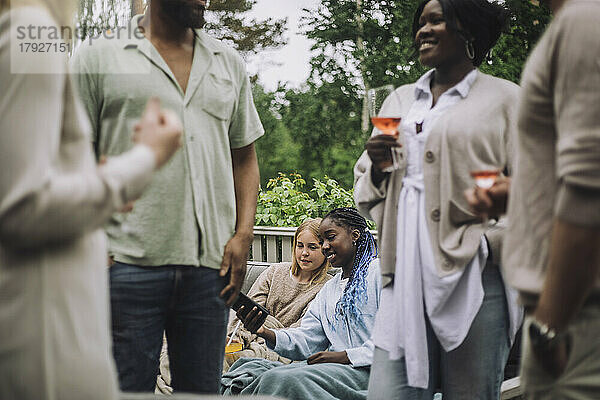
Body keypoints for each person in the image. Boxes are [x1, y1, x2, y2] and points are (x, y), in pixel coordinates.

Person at [71, 0, 264, 394]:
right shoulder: (98, 55)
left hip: (210, 271)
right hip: (124, 266)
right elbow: (71, 157)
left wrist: (243, 234)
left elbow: (244, 158)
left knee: (201, 391)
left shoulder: (227, 61)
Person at [0, 0, 183, 399]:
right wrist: (143, 161)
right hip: (48, 337)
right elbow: (20, 209)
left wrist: (93, 185)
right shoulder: (32, 31)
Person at [354, 0, 522, 398]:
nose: (423, 31)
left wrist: (488, 242)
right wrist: (378, 166)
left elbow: (538, 185)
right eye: (420, 23)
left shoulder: (507, 100)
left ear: (469, 29)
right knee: (390, 391)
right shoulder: (398, 100)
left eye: (436, 20)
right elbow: (365, 183)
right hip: (405, 272)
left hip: (476, 273)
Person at [468, 0, 600, 398]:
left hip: (576, 311)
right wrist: (523, 191)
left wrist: (549, 323)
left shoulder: (582, 22)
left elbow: (587, 187)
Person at [155, 218, 332, 393]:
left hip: (276, 348)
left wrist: (265, 328)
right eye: (300, 245)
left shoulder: (327, 288)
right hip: (245, 335)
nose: (304, 253)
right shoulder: (275, 272)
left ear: (325, 249)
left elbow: (301, 335)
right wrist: (236, 337)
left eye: (312, 247)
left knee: (217, 360)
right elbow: (245, 311)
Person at [221, 207, 381, 400]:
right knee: (248, 370)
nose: (325, 247)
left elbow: (398, 339)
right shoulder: (329, 290)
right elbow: (307, 339)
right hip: (334, 369)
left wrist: (346, 356)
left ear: (354, 235)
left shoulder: (380, 275)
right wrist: (265, 332)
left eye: (330, 238)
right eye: (322, 242)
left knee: (279, 380)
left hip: (372, 371)